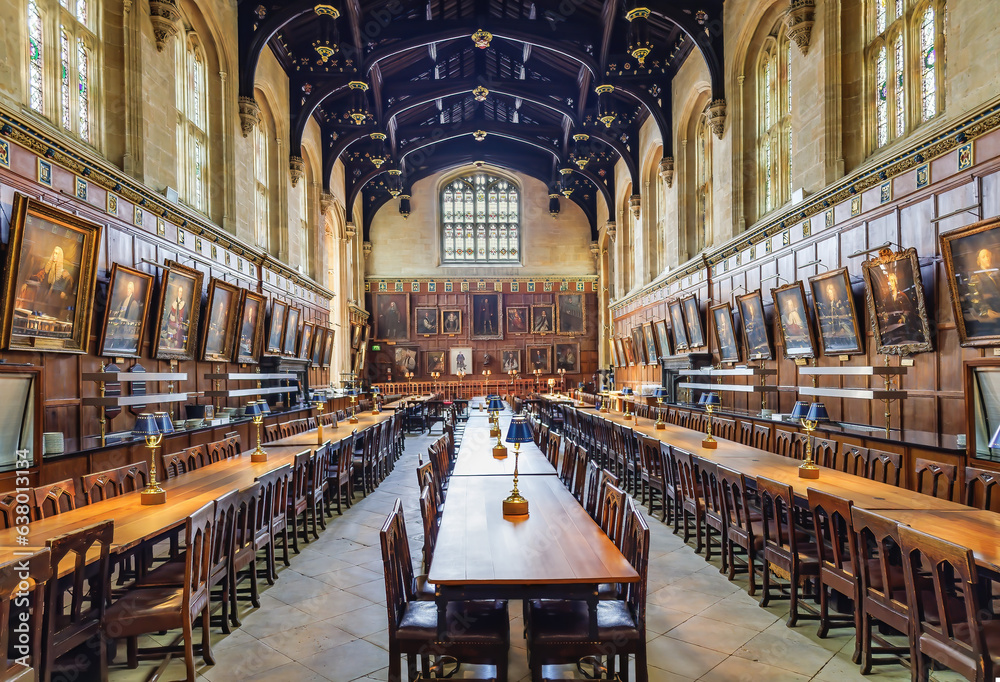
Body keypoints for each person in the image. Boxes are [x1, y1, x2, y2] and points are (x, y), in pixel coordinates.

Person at [877, 268, 922, 346]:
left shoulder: (902, 295)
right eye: (888, 282)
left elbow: (908, 309)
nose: (889, 284)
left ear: (895, 282)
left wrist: (903, 318)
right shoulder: (887, 298)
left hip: (902, 322)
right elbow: (886, 311)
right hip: (891, 322)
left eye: (891, 281)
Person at [29, 246, 75, 321]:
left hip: (54, 301)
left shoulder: (64, 273)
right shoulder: (47, 269)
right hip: (43, 299)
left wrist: (64, 292)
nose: (54, 255)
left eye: (56, 254)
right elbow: (38, 277)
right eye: (54, 253)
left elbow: (69, 283)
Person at [964, 247, 1000, 334]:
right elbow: (975, 298)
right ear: (978, 261)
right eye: (983, 257)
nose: (987, 258)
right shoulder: (976, 277)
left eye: (988, 256)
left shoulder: (995, 275)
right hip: (992, 319)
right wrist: (986, 311)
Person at [106, 279, 141, 351]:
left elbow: (134, 321)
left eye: (129, 288)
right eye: (127, 288)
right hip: (118, 329)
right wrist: (112, 312)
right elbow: (118, 311)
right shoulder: (123, 301)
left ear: (132, 290)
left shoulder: (134, 304)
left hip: (127, 332)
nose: (128, 290)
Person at [164, 283, 188, 350]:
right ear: (177, 292)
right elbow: (169, 316)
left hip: (179, 330)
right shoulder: (173, 303)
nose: (180, 293)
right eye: (180, 291)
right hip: (172, 328)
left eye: (182, 292)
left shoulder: (184, 304)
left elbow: (185, 318)